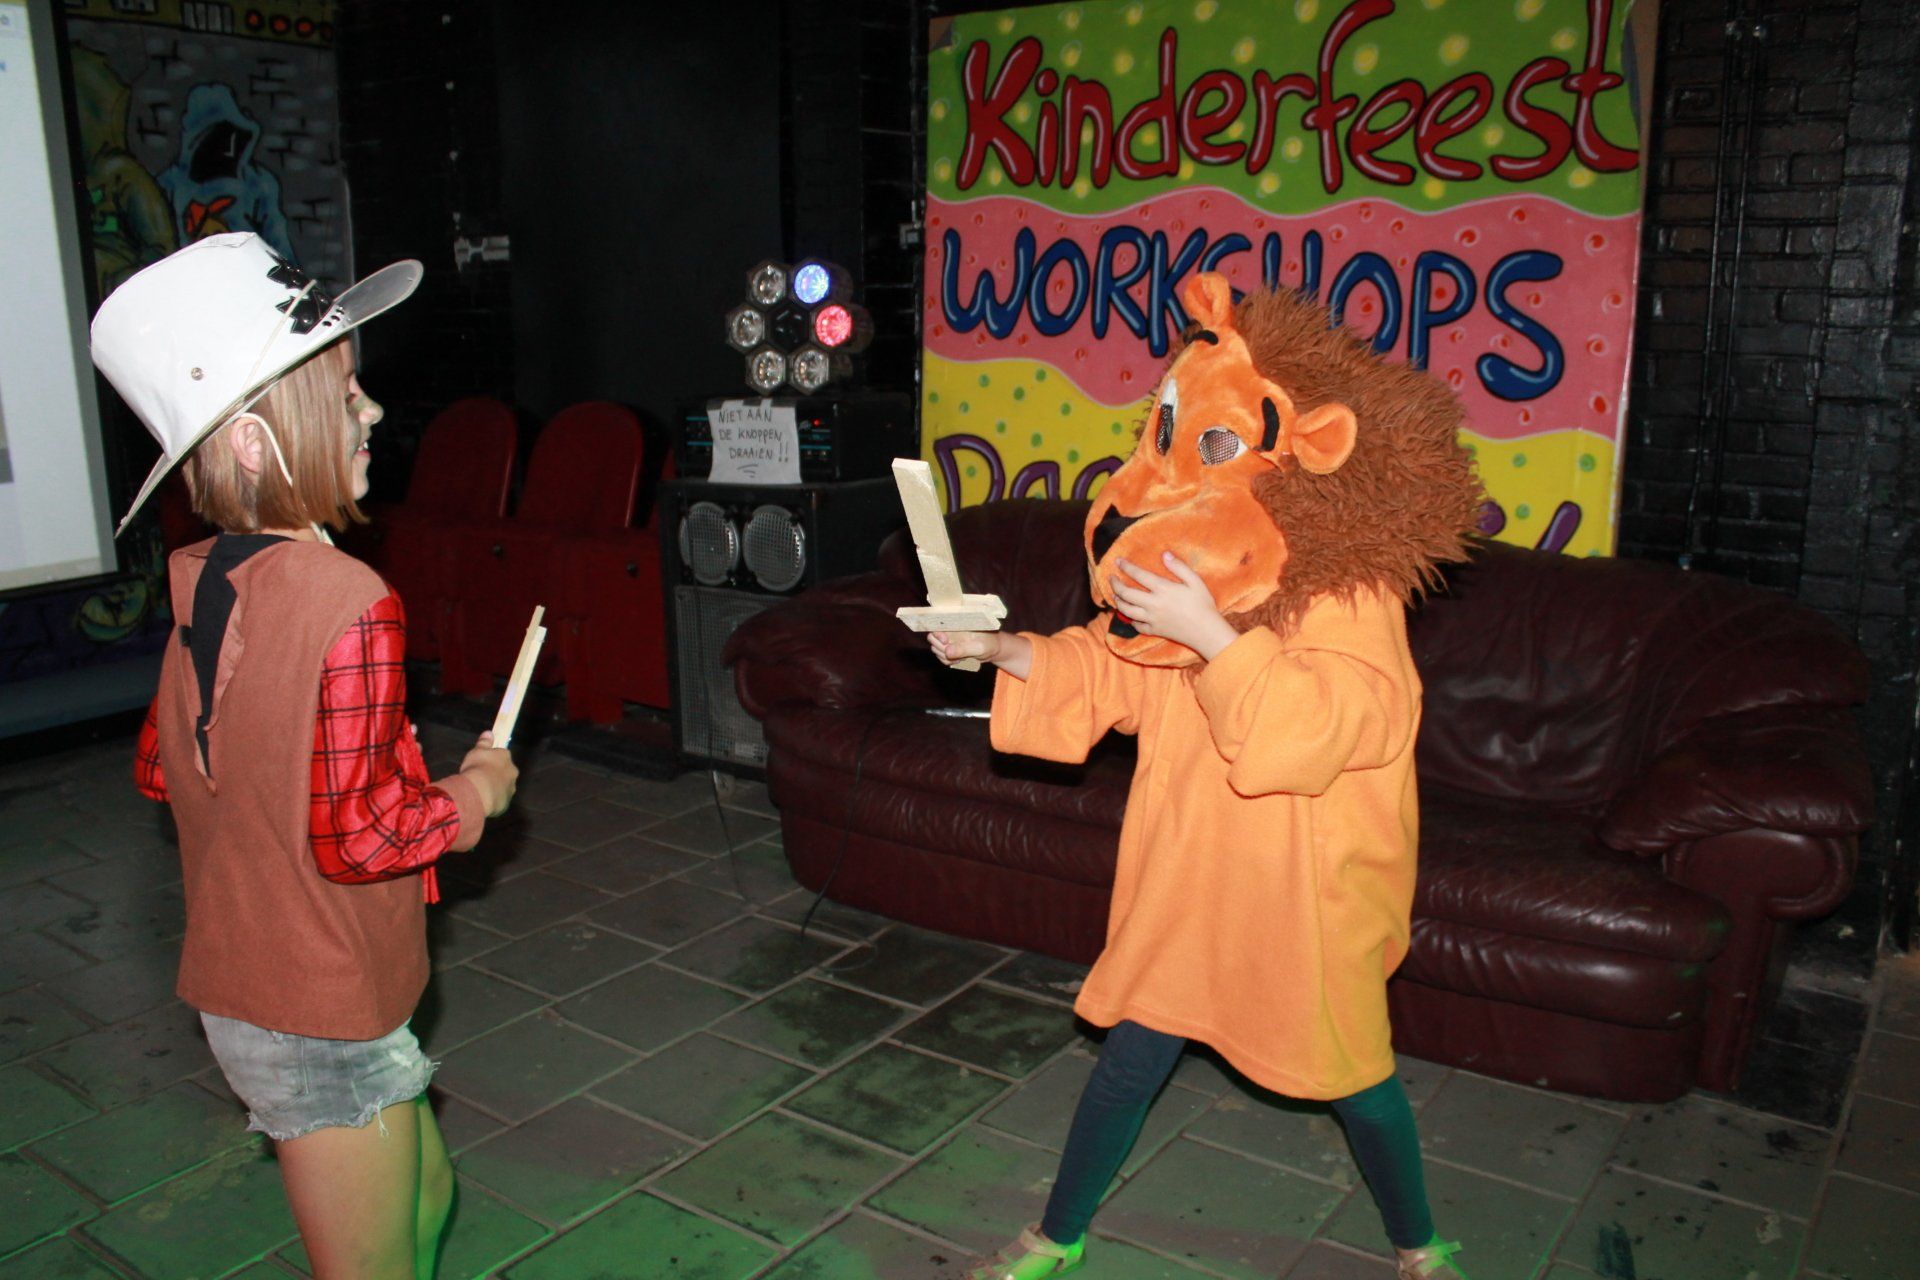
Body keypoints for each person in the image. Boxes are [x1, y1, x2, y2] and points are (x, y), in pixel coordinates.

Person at [930, 272, 1484, 1280]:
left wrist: (1217, 639)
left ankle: (1418, 1242)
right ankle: (1056, 1235)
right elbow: (1118, 668)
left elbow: (1333, 722)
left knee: (1359, 1083)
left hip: (1303, 902)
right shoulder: (1204, 564)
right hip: (1192, 884)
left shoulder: (1349, 596)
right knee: (1128, 1061)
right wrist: (1005, 649)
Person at [94, 232, 518, 1279]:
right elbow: (361, 835)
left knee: (428, 1196)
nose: (370, 411)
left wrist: (281, 757)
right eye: (341, 393)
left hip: (260, 983)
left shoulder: (202, 573)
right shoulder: (349, 597)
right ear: (253, 441)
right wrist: (473, 793)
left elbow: (160, 766)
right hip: (315, 1004)